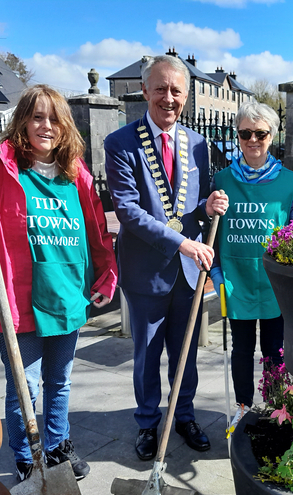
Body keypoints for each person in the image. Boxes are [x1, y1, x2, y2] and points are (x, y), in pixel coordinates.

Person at [0, 84, 118, 482]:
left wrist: (108, 275)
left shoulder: (75, 174)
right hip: (18, 299)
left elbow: (96, 234)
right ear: (23, 121)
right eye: (37, 117)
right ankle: (27, 456)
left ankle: (58, 446)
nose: (46, 126)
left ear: (65, 126)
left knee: (60, 381)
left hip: (66, 294)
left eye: (54, 118)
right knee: (23, 386)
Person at [104, 55, 229, 460]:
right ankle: (146, 423)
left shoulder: (198, 144)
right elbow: (127, 209)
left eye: (177, 90)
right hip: (146, 272)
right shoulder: (120, 143)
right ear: (144, 91)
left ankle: (185, 415)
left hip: (188, 272)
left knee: (186, 352)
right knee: (146, 353)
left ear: (187, 96)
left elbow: (190, 208)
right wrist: (182, 243)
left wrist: (208, 206)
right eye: (160, 88)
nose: (169, 98)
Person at [209, 102, 293, 432]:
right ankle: (243, 407)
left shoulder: (290, 182)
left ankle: (278, 410)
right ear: (237, 135)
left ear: (272, 136)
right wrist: (216, 276)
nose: (252, 140)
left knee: (275, 351)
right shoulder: (221, 180)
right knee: (241, 349)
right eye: (245, 133)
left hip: (274, 283)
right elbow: (212, 232)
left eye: (260, 133)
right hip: (236, 281)